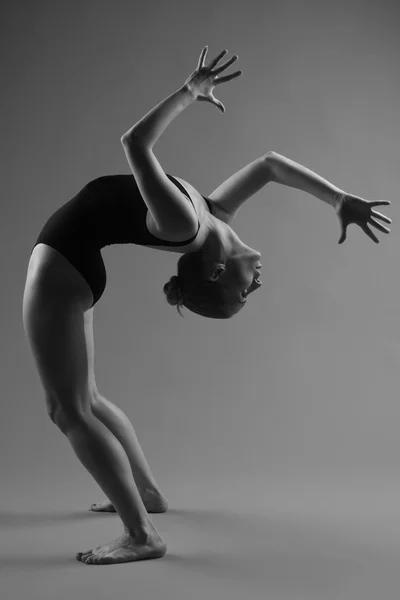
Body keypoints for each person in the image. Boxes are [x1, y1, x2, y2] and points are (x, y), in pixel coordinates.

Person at [22, 46, 391, 565]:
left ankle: (142, 534)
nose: (257, 285)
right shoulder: (212, 215)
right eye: (248, 294)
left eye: (244, 294)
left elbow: (135, 143)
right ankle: (147, 495)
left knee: (68, 410)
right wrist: (337, 198)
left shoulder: (185, 224)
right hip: (73, 264)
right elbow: (269, 166)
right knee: (88, 400)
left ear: (217, 272)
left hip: (60, 266)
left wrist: (188, 94)